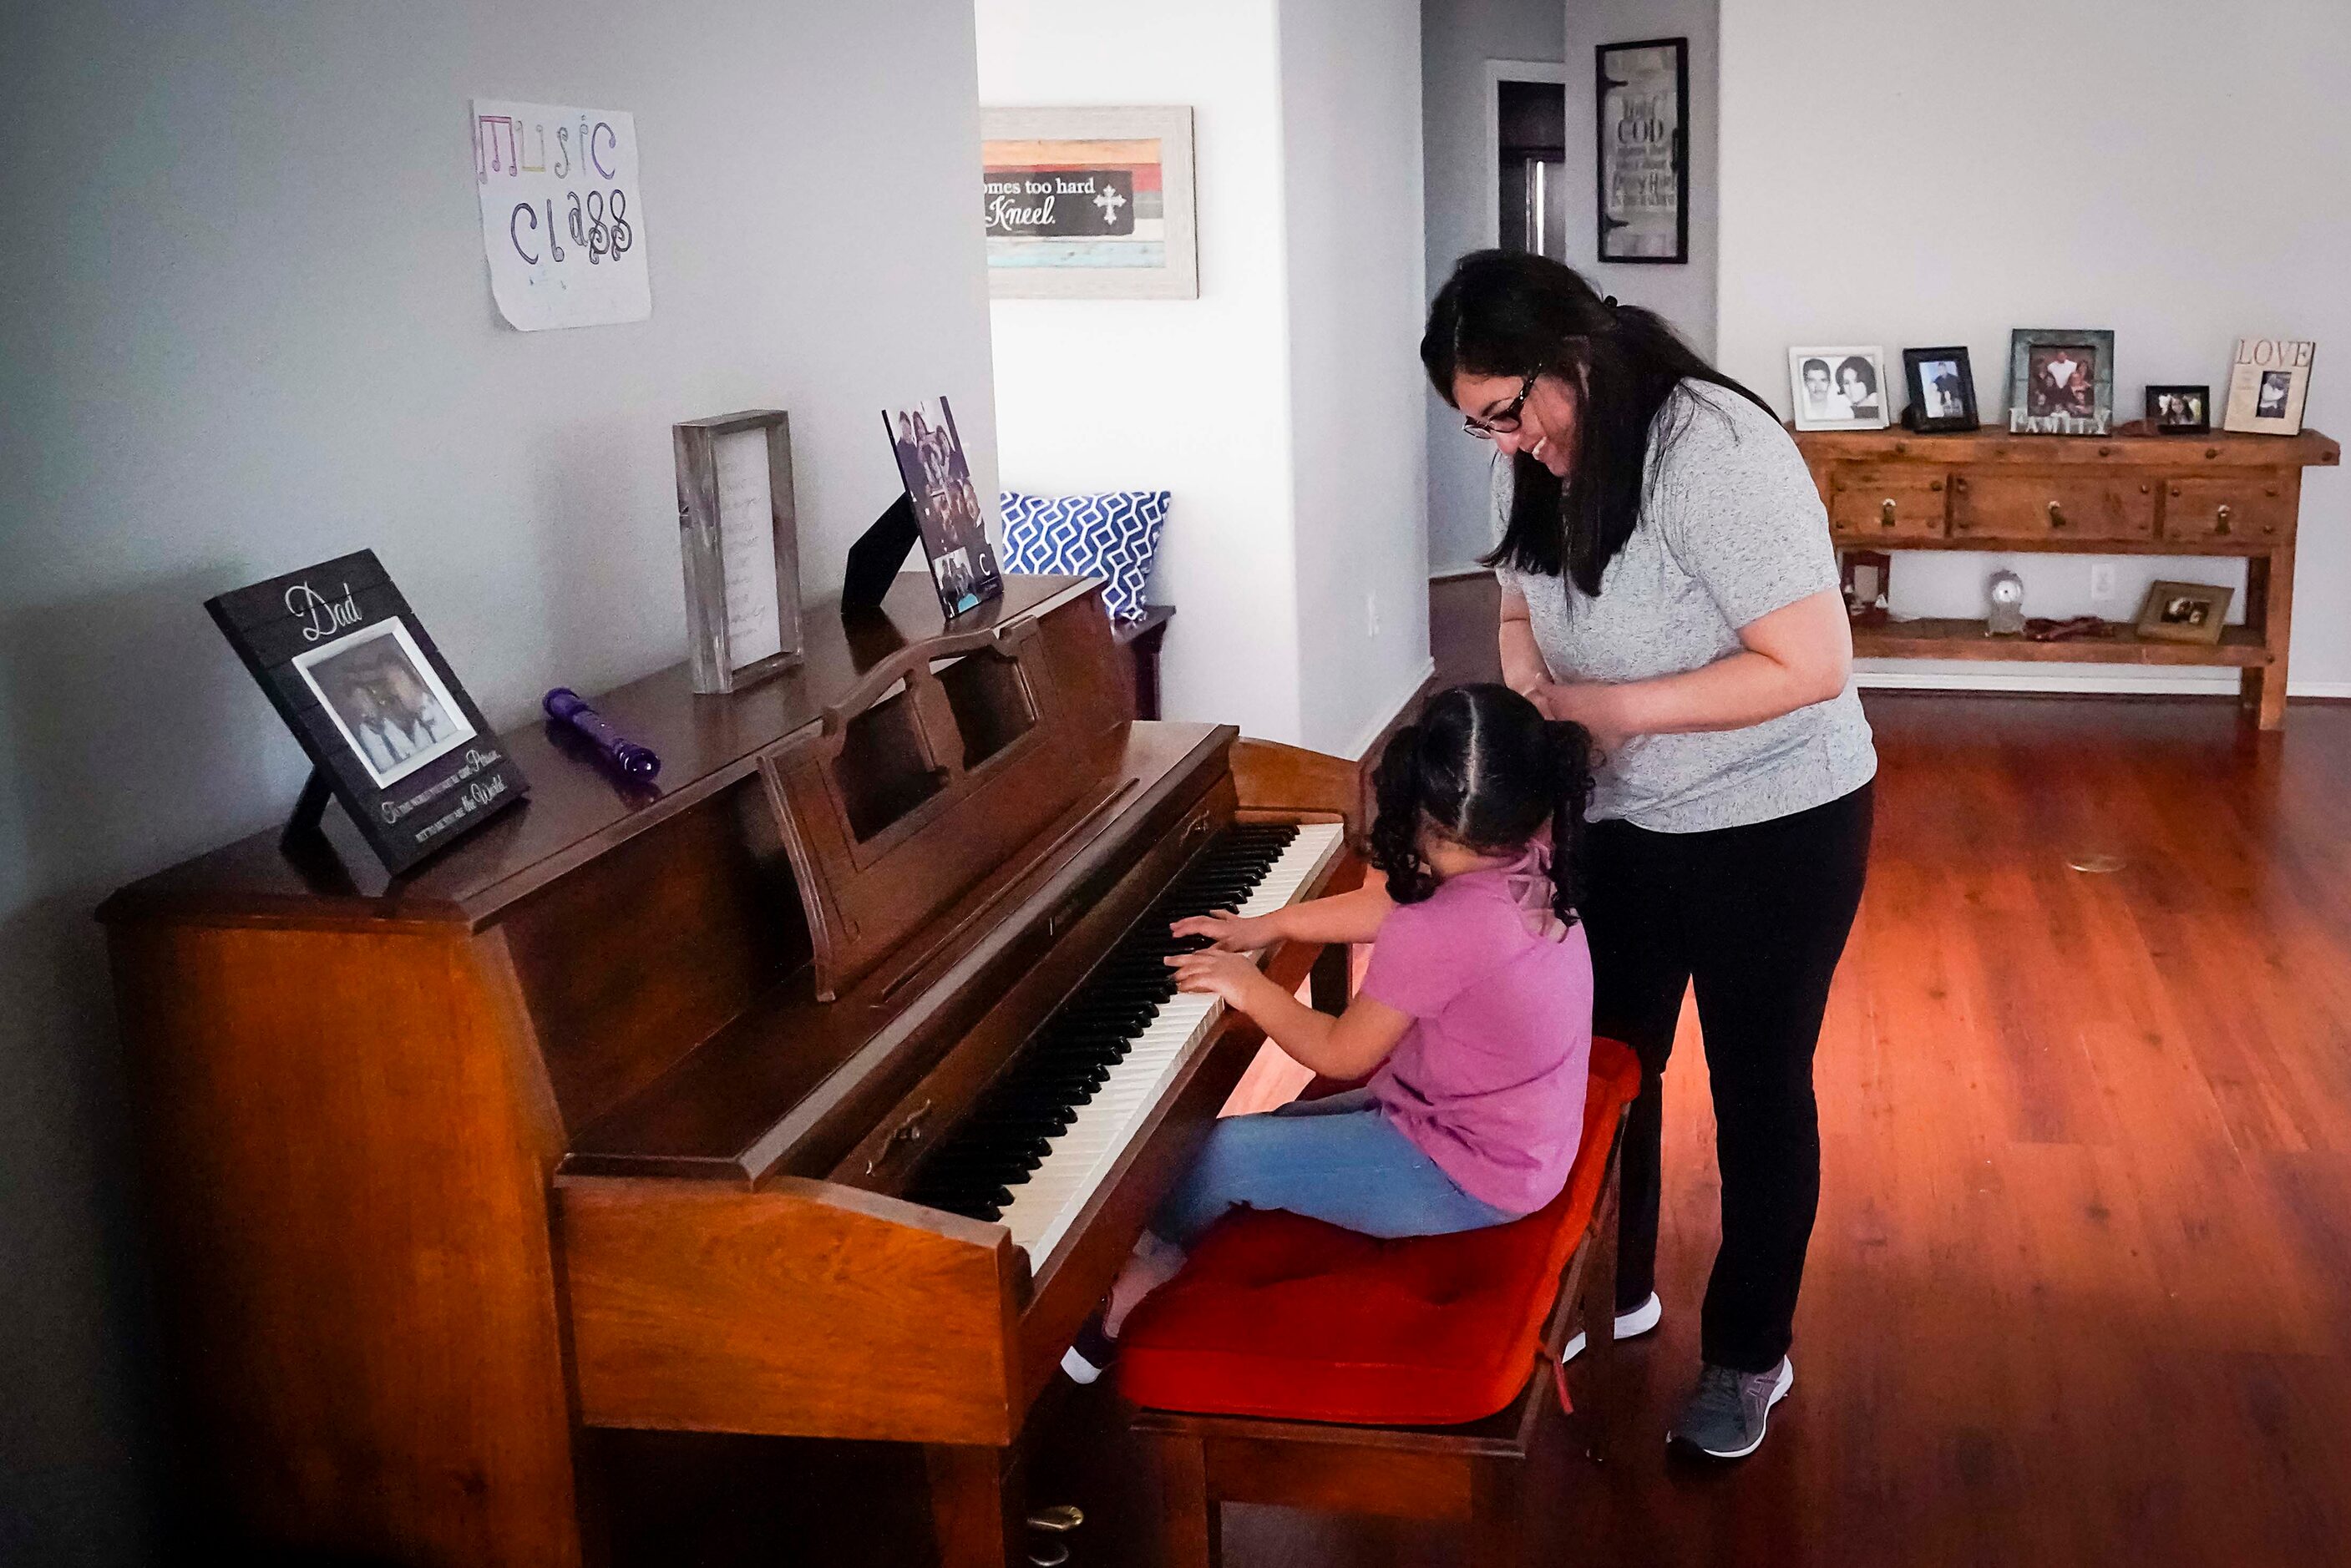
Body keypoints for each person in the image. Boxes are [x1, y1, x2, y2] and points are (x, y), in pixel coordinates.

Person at [1422, 250, 1875, 1459]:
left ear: (1573, 358)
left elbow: (1809, 664)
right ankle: (1609, 1286)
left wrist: (1609, 709)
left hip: (1774, 820)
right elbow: (1518, 605)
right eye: (1477, 427)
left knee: (1756, 1086)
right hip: (1620, 814)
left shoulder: (1711, 453)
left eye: (1505, 413)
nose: (1501, 445)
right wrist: (1528, 684)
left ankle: (1745, 1354)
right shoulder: (1539, 455)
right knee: (1605, 1063)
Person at [1063, 684, 1599, 1382]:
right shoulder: (1530, 849)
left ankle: (1140, 1276)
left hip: (1471, 1170)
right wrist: (1272, 924)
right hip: (1509, 1128)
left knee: (1221, 1152)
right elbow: (1391, 907)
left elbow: (1340, 1052)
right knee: (1279, 1125)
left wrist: (1248, 984)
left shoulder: (1440, 928)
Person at [1799, 357, 1849, 421]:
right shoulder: (1800, 412)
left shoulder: (1844, 412)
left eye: (1823, 380)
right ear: (1805, 383)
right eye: (1812, 381)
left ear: (1830, 383)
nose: (1818, 386)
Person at [1837, 356, 1882, 420]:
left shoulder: (1878, 412)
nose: (1851, 388)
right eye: (1846, 383)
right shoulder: (1846, 413)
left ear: (1868, 381)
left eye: (1857, 381)